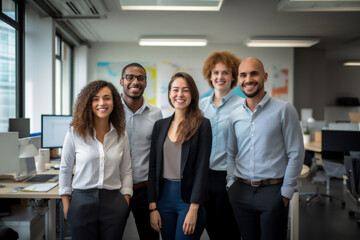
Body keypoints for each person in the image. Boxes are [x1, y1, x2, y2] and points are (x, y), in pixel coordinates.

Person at [227, 57, 305, 240]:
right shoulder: (235, 115)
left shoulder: (284, 110)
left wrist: (286, 192)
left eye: (254, 74)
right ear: (238, 80)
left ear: (265, 76)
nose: (248, 79)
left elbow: (296, 153)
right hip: (241, 192)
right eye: (243, 75)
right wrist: (231, 184)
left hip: (273, 193)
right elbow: (231, 153)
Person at [59, 80, 133, 240]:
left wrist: (125, 201)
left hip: (113, 201)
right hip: (81, 201)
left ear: (114, 102)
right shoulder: (74, 133)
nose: (102, 103)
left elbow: (126, 171)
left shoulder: (121, 135)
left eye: (107, 98)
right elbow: (65, 169)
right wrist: (66, 206)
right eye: (95, 99)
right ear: (87, 103)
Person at [148, 72, 212, 240]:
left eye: (186, 90)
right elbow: (153, 167)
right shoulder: (159, 126)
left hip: (189, 201)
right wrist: (153, 208)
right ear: (169, 94)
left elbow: (201, 169)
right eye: (176, 90)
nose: (180, 94)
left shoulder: (202, 125)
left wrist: (193, 209)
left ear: (192, 94)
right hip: (163, 200)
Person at [199, 51, 243, 239]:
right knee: (211, 229)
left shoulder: (243, 105)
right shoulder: (199, 106)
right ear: (210, 75)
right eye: (216, 72)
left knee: (230, 232)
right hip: (202, 177)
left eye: (225, 72)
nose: (220, 77)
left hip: (228, 178)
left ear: (233, 76)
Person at [120, 63, 162, 240]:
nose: (135, 81)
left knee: (150, 237)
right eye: (130, 77)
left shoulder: (156, 113)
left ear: (145, 83)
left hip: (145, 191)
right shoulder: (110, 111)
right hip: (116, 190)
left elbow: (158, 155)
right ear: (121, 81)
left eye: (140, 78)